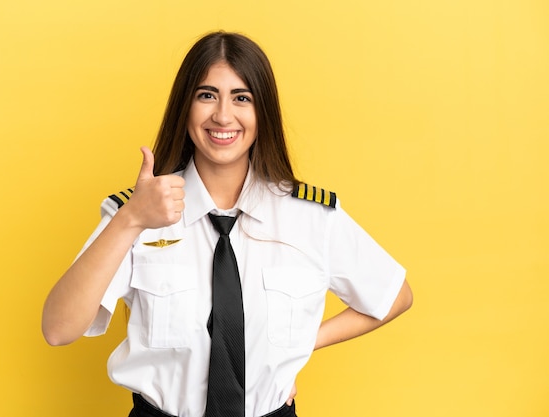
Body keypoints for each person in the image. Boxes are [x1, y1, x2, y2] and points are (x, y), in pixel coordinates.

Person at [42, 31, 413, 417]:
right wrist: (131, 220)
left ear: (262, 111)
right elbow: (58, 329)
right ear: (184, 107)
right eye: (206, 95)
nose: (222, 115)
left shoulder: (309, 217)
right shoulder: (138, 211)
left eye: (242, 98)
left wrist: (294, 348)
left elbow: (395, 295)